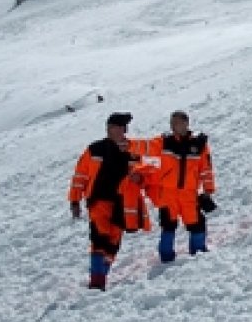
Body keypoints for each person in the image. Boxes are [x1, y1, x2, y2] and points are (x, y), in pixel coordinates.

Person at [68, 112, 151, 290]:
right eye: (113, 127)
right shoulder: (95, 149)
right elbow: (80, 176)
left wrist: (140, 179)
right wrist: (74, 200)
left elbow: (143, 177)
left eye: (120, 127)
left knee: (113, 242)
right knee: (99, 237)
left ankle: (101, 275)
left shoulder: (133, 151)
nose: (116, 130)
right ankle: (96, 282)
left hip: (123, 203)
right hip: (99, 200)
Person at [131, 110, 217, 262]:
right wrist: (127, 144)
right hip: (168, 193)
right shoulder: (165, 141)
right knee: (168, 225)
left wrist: (208, 190)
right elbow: (147, 146)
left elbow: (206, 169)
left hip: (189, 194)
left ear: (186, 123)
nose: (172, 125)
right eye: (171, 122)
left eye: (176, 122)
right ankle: (166, 257)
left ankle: (198, 254)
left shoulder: (199, 144)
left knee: (196, 223)